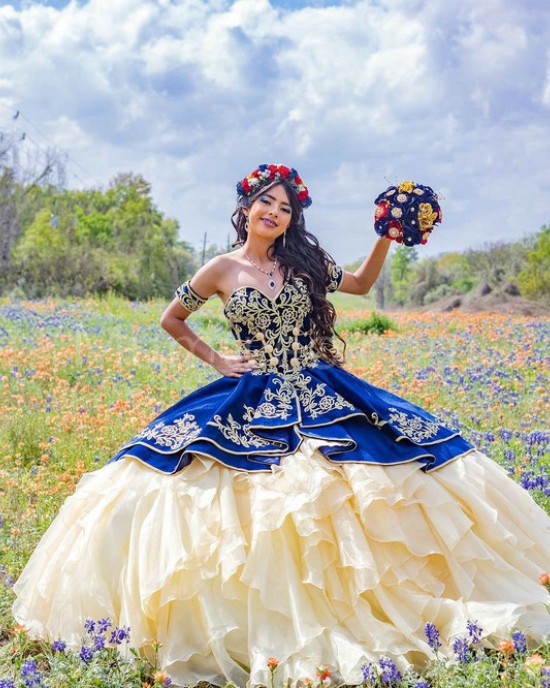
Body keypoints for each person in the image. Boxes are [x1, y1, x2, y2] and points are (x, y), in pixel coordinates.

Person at [13, 164, 550, 687]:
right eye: (265, 202)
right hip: (251, 389)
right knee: (208, 487)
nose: (274, 212)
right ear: (246, 210)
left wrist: (385, 234)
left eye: (285, 207)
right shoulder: (219, 269)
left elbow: (360, 284)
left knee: (369, 476)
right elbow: (170, 317)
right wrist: (218, 359)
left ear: (293, 219)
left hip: (320, 385)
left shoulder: (306, 264)